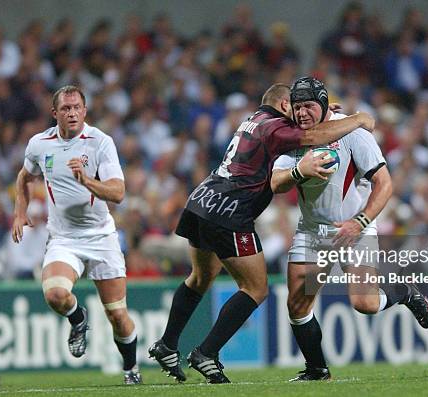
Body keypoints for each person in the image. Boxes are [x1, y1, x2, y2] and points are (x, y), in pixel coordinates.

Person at [148, 82, 376, 384]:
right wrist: (358, 118)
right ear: (284, 106)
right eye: (295, 107)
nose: (299, 113)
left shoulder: (253, 120)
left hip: (202, 200)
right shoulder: (275, 127)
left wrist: (327, 115)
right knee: (255, 288)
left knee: (201, 277)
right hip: (230, 210)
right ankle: (207, 352)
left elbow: (310, 129)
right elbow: (311, 136)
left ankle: (167, 344)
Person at [270, 76, 428, 381]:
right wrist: (298, 170)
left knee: (365, 303)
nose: (302, 113)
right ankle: (317, 370)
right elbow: (276, 183)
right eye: (297, 107)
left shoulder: (353, 133)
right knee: (297, 304)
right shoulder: (291, 134)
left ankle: (406, 294)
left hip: (355, 226)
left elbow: (384, 184)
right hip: (311, 230)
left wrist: (359, 223)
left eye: (308, 106)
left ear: (322, 105)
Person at [12, 85, 141, 384]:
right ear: (54, 112)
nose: (72, 113)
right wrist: (20, 211)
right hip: (64, 238)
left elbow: (118, 193)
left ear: (85, 111)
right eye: (66, 108)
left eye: (76, 108)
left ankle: (131, 368)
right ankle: (78, 318)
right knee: (55, 294)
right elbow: (24, 176)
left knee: (117, 316)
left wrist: (87, 180)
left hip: (101, 237)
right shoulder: (39, 144)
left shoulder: (100, 142)